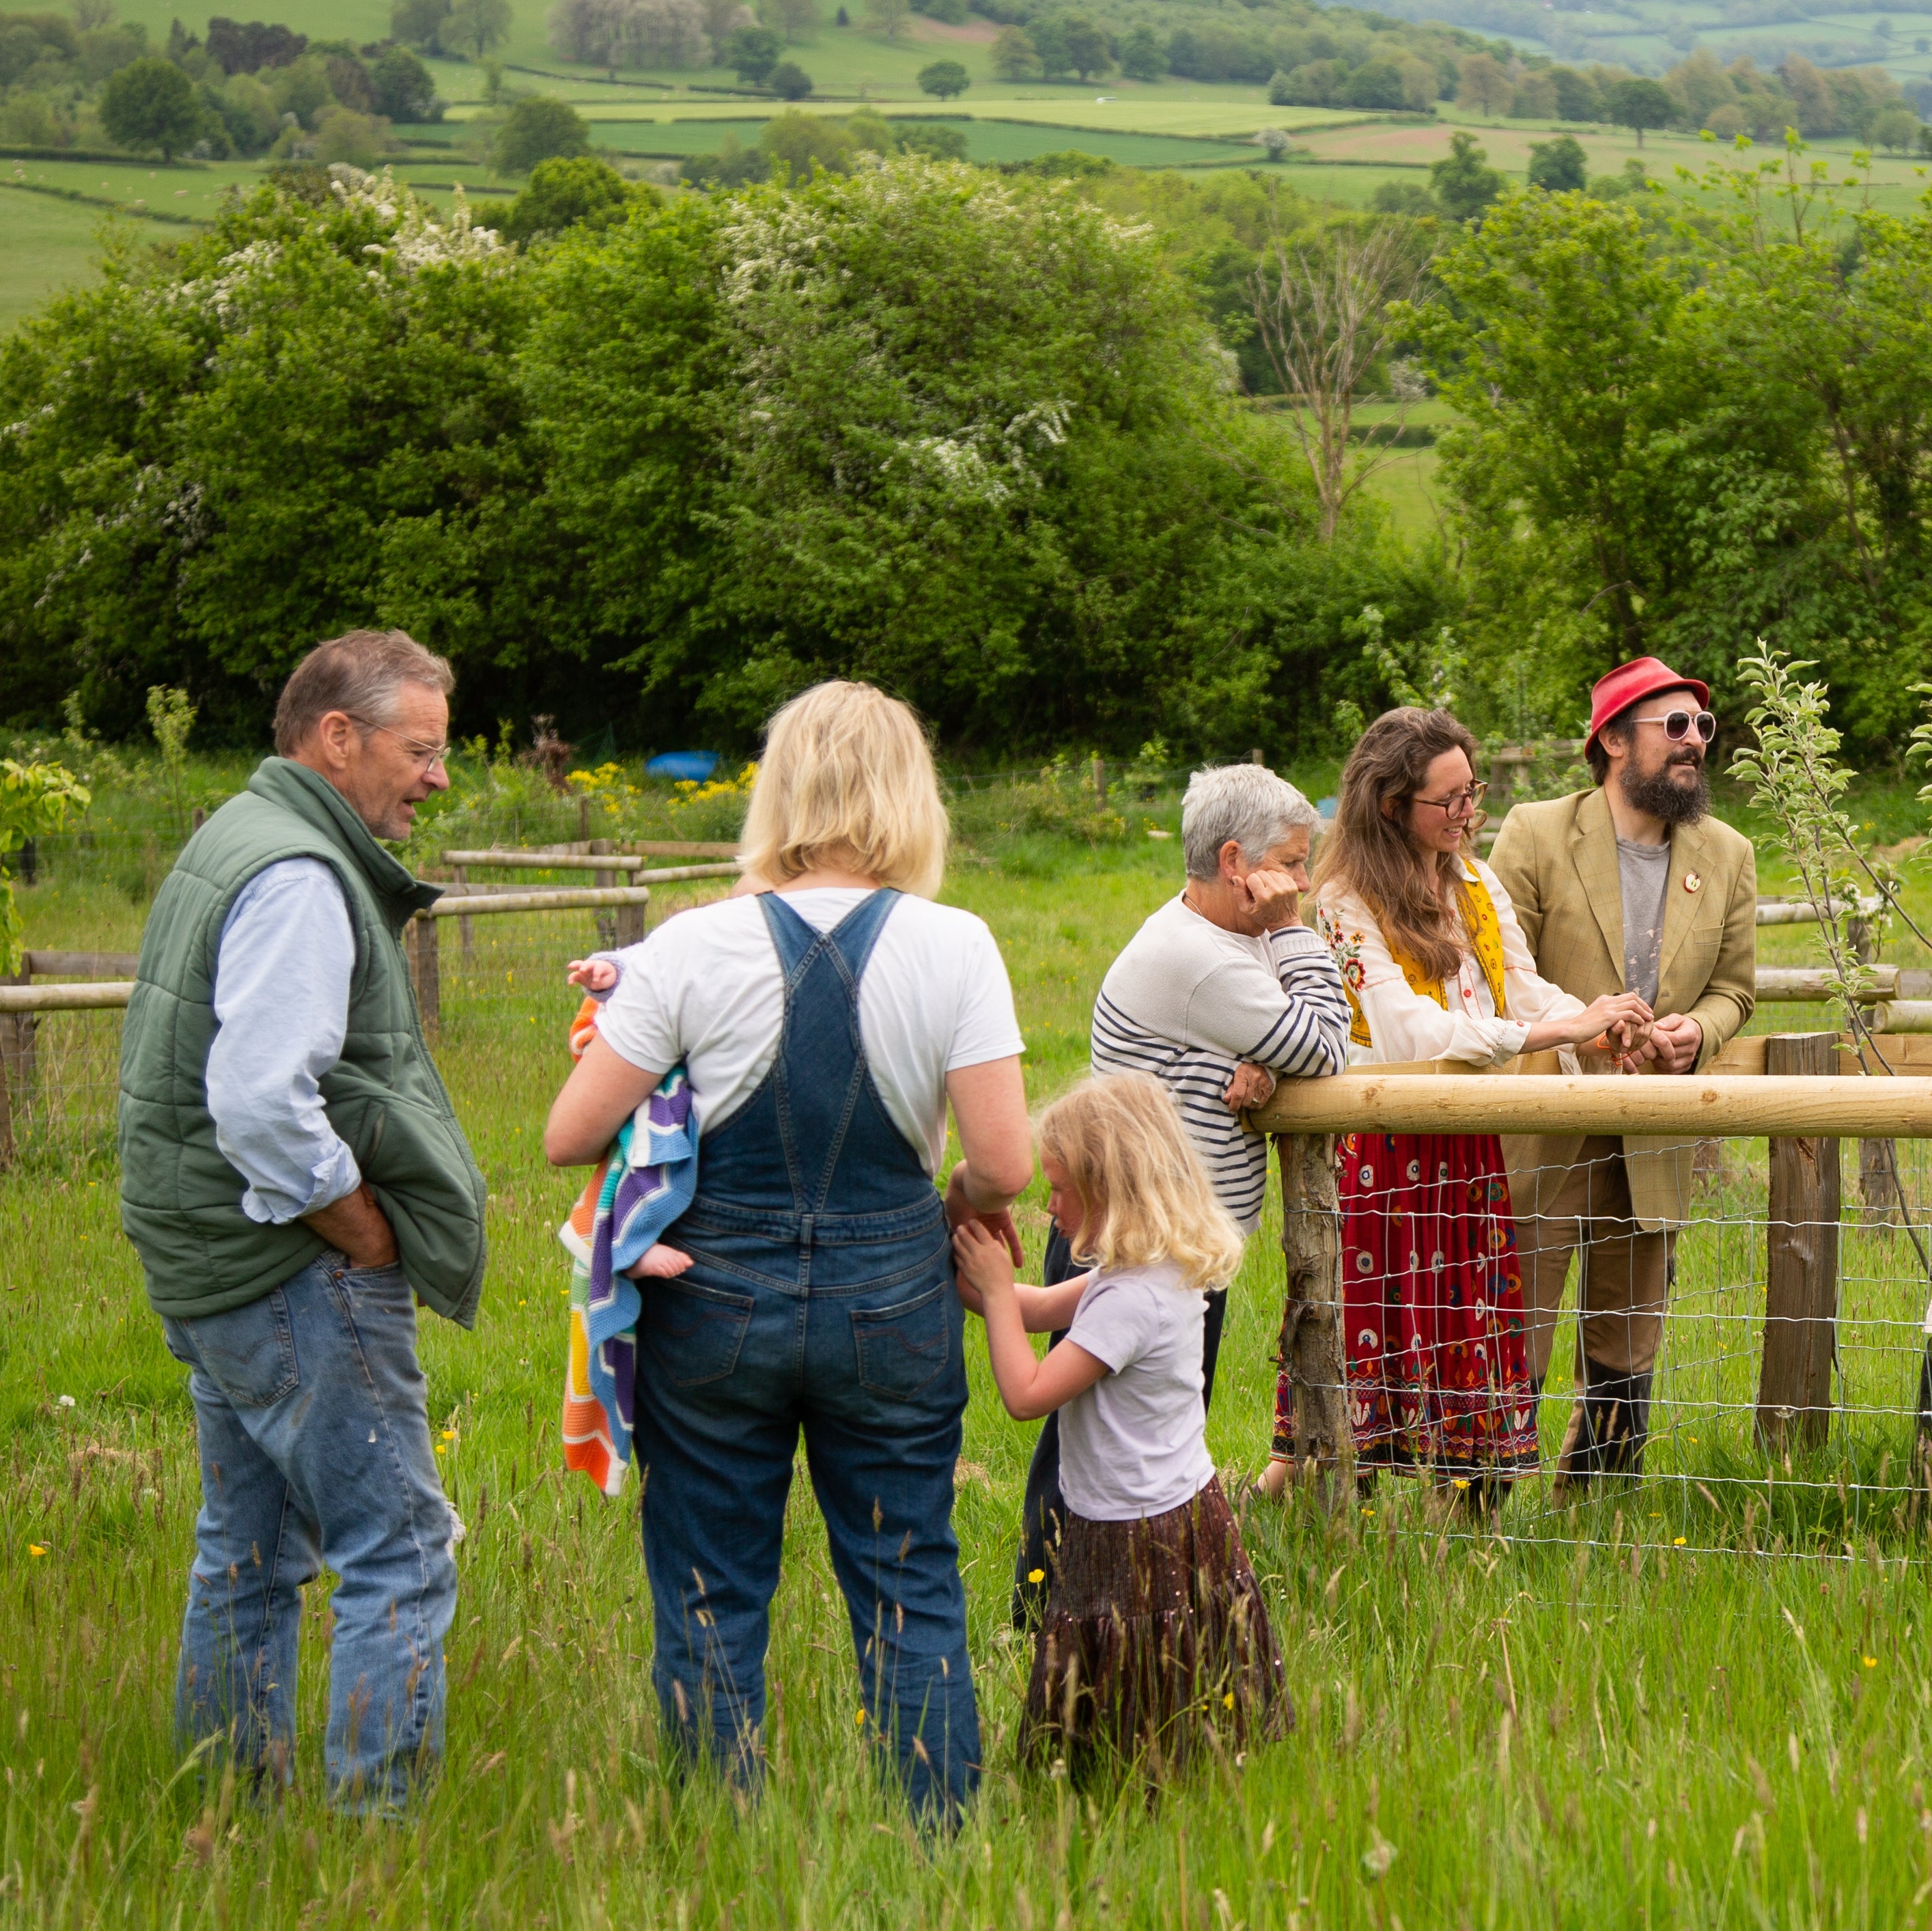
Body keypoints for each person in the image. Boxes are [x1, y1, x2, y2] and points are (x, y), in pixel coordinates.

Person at [542, 680, 1031, 1827]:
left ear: (777, 787)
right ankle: (937, 1841)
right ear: (913, 795)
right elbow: (1004, 1165)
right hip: (893, 1302)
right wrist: (953, 1196)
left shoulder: (686, 945)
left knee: (711, 1584)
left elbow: (571, 1132)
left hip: (713, 1305)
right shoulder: (956, 945)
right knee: (907, 1575)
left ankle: (722, 1839)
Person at [118, 629, 484, 1816]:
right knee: (399, 1550)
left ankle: (224, 1812)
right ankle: (379, 1833)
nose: (437, 776)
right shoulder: (299, 875)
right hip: (284, 1268)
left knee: (250, 1550)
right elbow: (259, 1096)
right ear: (339, 737)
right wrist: (360, 1227)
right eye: (420, 750)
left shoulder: (239, 834)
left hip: (210, 1265)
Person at [1261, 707, 1650, 1494]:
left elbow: (1520, 985)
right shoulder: (1343, 898)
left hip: (1468, 1133)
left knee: (1465, 1327)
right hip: (1379, 1137)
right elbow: (1410, 1031)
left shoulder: (1474, 880)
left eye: (1472, 793)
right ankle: (1302, 1496)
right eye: (1449, 801)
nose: (1467, 814)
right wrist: (1551, 1033)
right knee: (1364, 1331)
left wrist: (1592, 1020)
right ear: (1389, 804)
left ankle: (1462, 1516)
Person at [1013, 764, 1349, 1624]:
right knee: (1096, 1456)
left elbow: (1282, 1040)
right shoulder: (1200, 957)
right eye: (1291, 862)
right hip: (1131, 1243)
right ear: (1234, 860)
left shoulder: (1218, 943)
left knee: (1149, 1451)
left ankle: (1129, 1615)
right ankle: (1054, 1614)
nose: (1302, 882)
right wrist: (1296, 936)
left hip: (1168, 1243)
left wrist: (1261, 1056)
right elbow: (1326, 1046)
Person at [953, 1073, 1285, 1785]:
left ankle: (1137, 1784)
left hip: (1133, 1525)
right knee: (1170, 1665)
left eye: (1062, 1188)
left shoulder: (1131, 1300)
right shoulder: (1151, 1266)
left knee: (1141, 1672)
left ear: (1112, 1187)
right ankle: (1163, 1769)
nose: (1051, 1206)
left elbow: (1026, 1392)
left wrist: (987, 1289)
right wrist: (955, 1263)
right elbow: (1038, 1306)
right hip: (1176, 1507)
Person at [1489, 657, 1760, 1484]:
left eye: (1703, 728)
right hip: (1545, 1117)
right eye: (1673, 727)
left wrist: (1696, 1035)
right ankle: (1477, 1503)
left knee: (1628, 1328)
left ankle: (1599, 1505)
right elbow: (1495, 974)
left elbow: (1734, 990)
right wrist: (1581, 1029)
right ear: (1611, 738)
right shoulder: (1535, 832)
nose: (1694, 744)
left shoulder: (1727, 852)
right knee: (1516, 1318)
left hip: (1652, 1126)